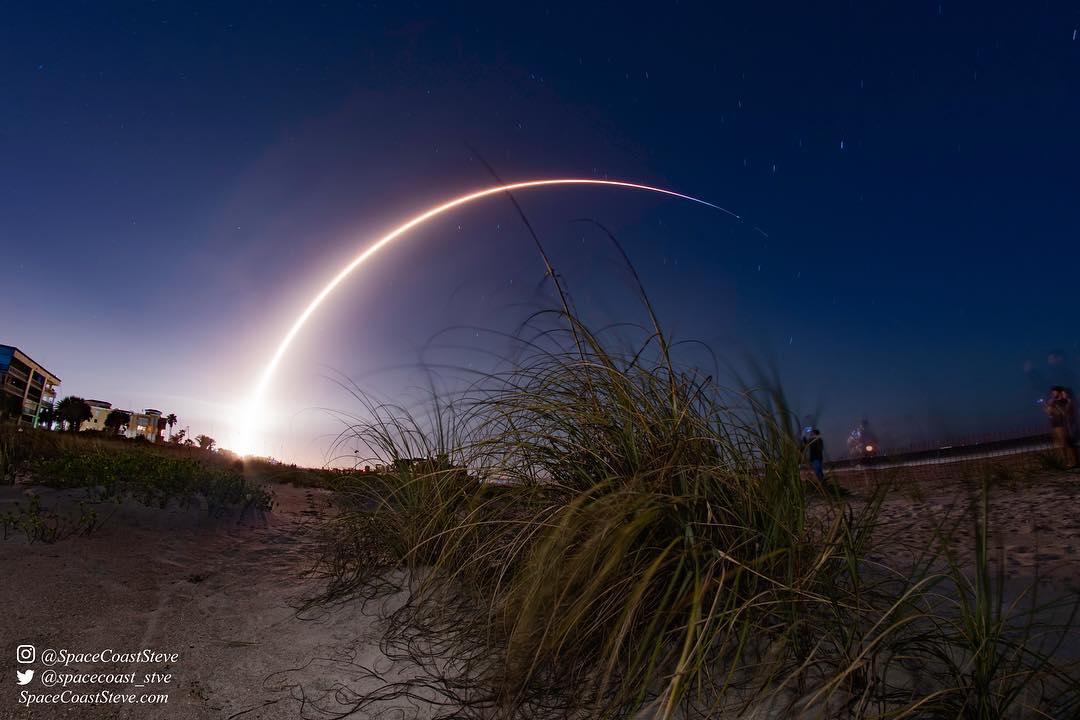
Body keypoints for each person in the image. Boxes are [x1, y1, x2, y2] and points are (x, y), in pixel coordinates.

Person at [1045, 386, 1079, 469]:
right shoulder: (1053, 402)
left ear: (1059, 392)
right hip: (1055, 425)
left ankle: (1072, 462)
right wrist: (1049, 407)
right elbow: (1049, 413)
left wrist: (1054, 408)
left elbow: (1064, 413)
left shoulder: (1063, 401)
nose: (1052, 394)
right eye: (1052, 392)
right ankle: (1066, 462)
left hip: (1062, 425)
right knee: (1061, 445)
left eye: (1054, 392)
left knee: (1066, 444)